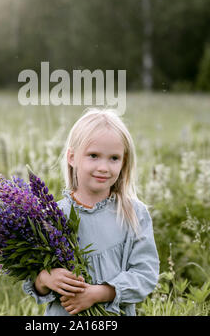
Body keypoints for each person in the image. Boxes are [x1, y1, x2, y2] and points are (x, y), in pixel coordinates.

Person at [22, 108, 160, 316]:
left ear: (124, 162)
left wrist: (98, 293)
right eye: (93, 156)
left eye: (114, 158)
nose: (104, 167)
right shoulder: (52, 216)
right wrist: (44, 279)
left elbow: (145, 275)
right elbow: (31, 280)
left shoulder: (133, 213)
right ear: (72, 157)